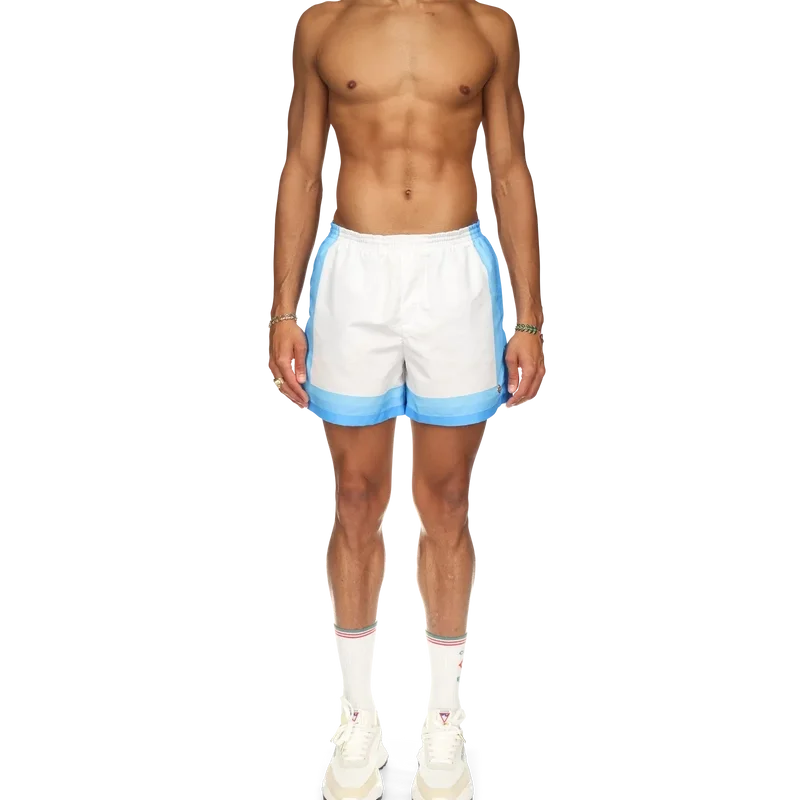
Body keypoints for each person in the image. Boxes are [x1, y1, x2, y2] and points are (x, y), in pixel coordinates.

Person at [266, 2, 545, 798]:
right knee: (355, 496)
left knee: (447, 499)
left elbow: (512, 169)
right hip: (354, 270)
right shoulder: (325, 21)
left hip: (455, 272)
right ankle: (356, 723)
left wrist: (528, 318)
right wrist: (283, 310)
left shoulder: (487, 23)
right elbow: (300, 163)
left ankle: (445, 727)